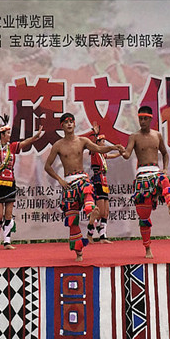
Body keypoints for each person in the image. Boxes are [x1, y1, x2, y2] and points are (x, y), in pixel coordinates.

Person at [44, 112, 124, 262]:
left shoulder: (82, 141)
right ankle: (79, 252)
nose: (69, 124)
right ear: (62, 126)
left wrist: (114, 147)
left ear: (74, 124)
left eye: (71, 121)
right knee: (72, 221)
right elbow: (47, 166)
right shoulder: (58, 145)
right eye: (66, 122)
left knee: (87, 190)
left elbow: (99, 149)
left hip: (81, 178)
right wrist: (60, 180)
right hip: (68, 182)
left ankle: (91, 213)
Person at [121, 106, 170, 259]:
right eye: (140, 118)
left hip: (155, 171)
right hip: (142, 175)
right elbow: (127, 155)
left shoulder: (157, 135)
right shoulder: (134, 136)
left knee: (164, 179)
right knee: (144, 216)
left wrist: (165, 168)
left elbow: (165, 153)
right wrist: (121, 151)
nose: (142, 121)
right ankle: (147, 247)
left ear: (150, 119)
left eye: (144, 119)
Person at [0, 109, 43, 250]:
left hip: (10, 183)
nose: (10, 136)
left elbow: (25, 143)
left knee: (8, 214)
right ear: (2, 135)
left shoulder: (12, 147)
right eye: (7, 134)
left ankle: (7, 241)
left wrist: (35, 137)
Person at [86, 123, 121, 244]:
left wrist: (121, 152)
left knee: (106, 211)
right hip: (98, 180)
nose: (104, 143)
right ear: (98, 143)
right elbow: (92, 146)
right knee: (100, 212)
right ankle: (90, 232)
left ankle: (103, 236)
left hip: (104, 181)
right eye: (102, 141)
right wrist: (95, 135)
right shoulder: (95, 152)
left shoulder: (102, 155)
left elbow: (112, 155)